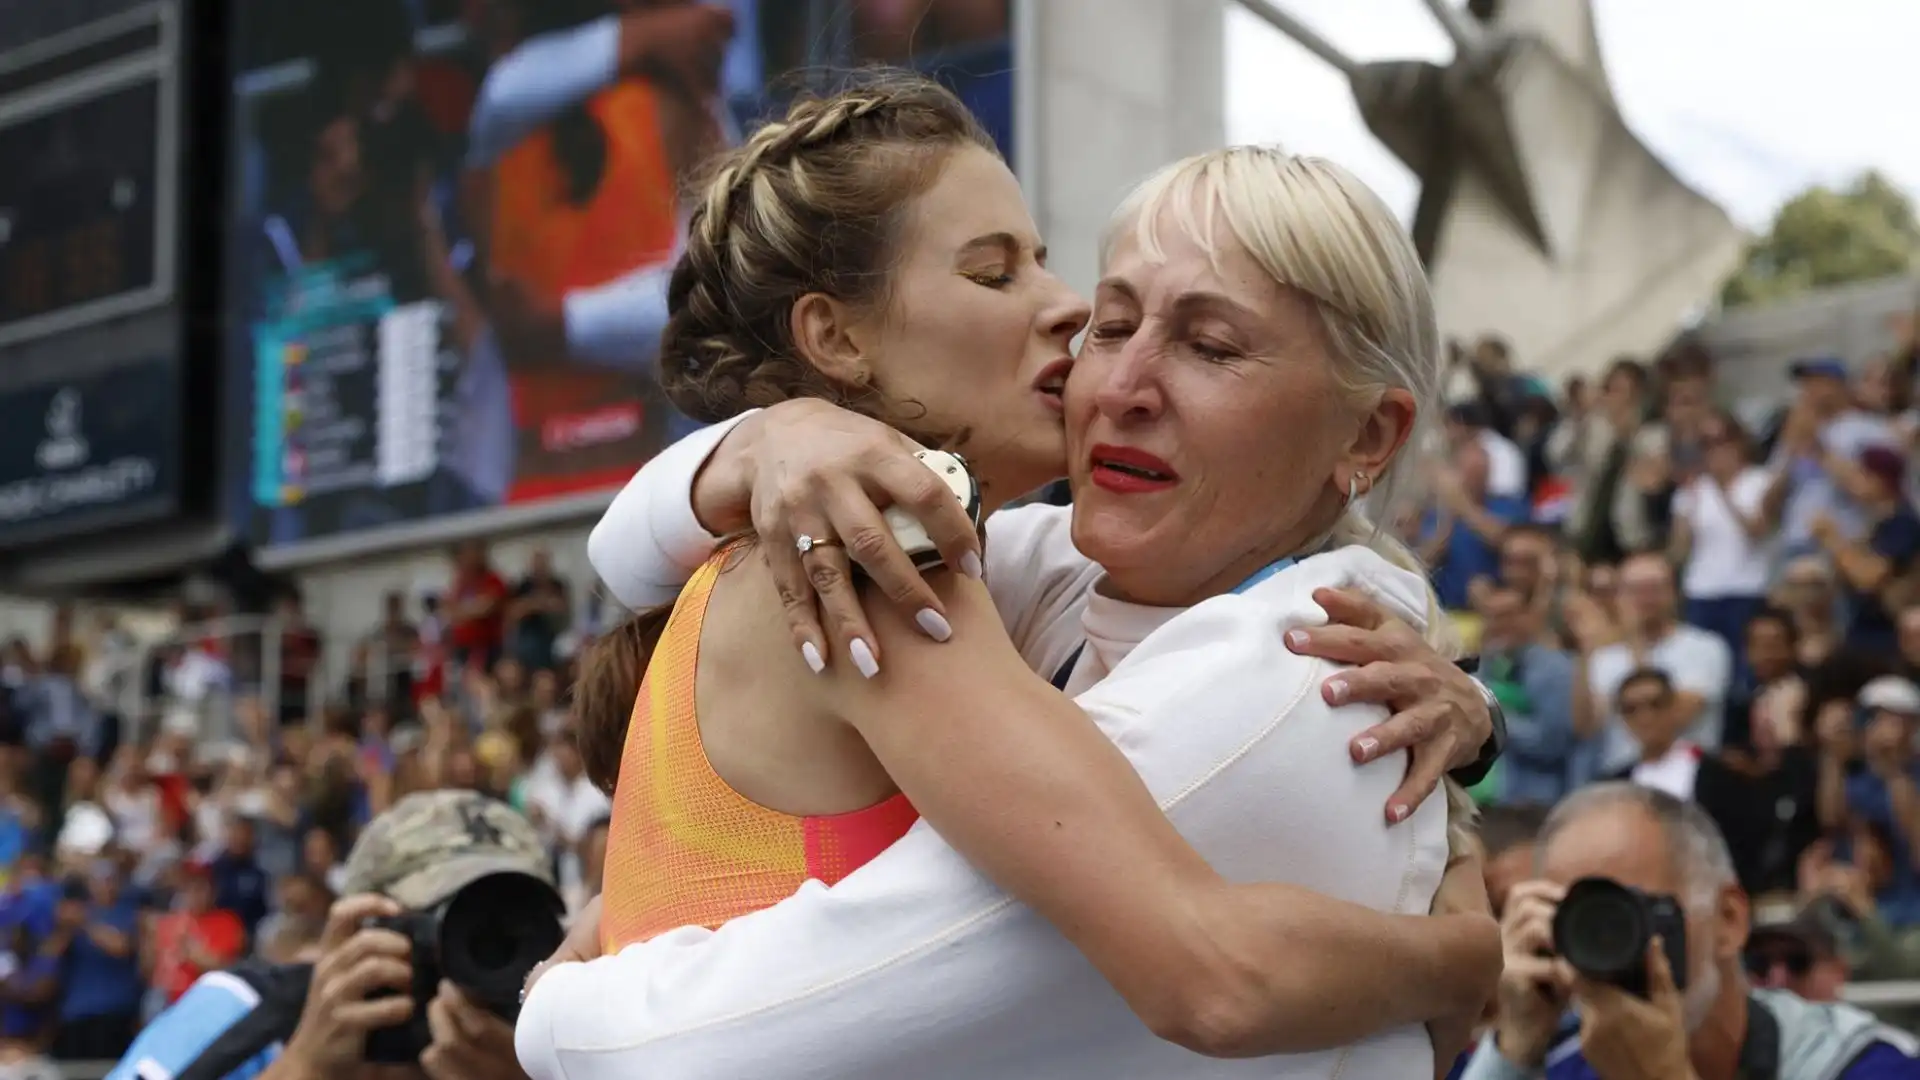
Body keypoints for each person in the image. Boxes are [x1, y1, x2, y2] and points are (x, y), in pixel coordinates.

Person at [519, 91, 1500, 1077]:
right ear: (837, 340)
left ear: (1370, 435)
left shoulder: (1277, 648)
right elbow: (1211, 966)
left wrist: (555, 1005)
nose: (1072, 316)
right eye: (995, 274)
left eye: (1210, 346)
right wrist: (1464, 955)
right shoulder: (877, 553)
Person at [1463, 782, 1920, 1080]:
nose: (1614, 949)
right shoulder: (1565, 1063)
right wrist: (1514, 1050)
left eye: (1636, 913)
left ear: (1729, 920)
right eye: (1584, 923)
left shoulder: (1866, 1066)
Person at [106, 790, 553, 1080]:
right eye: (445, 930)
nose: (472, 964)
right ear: (358, 931)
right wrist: (304, 1067)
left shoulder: (564, 1048)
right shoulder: (246, 1016)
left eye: (507, 940)